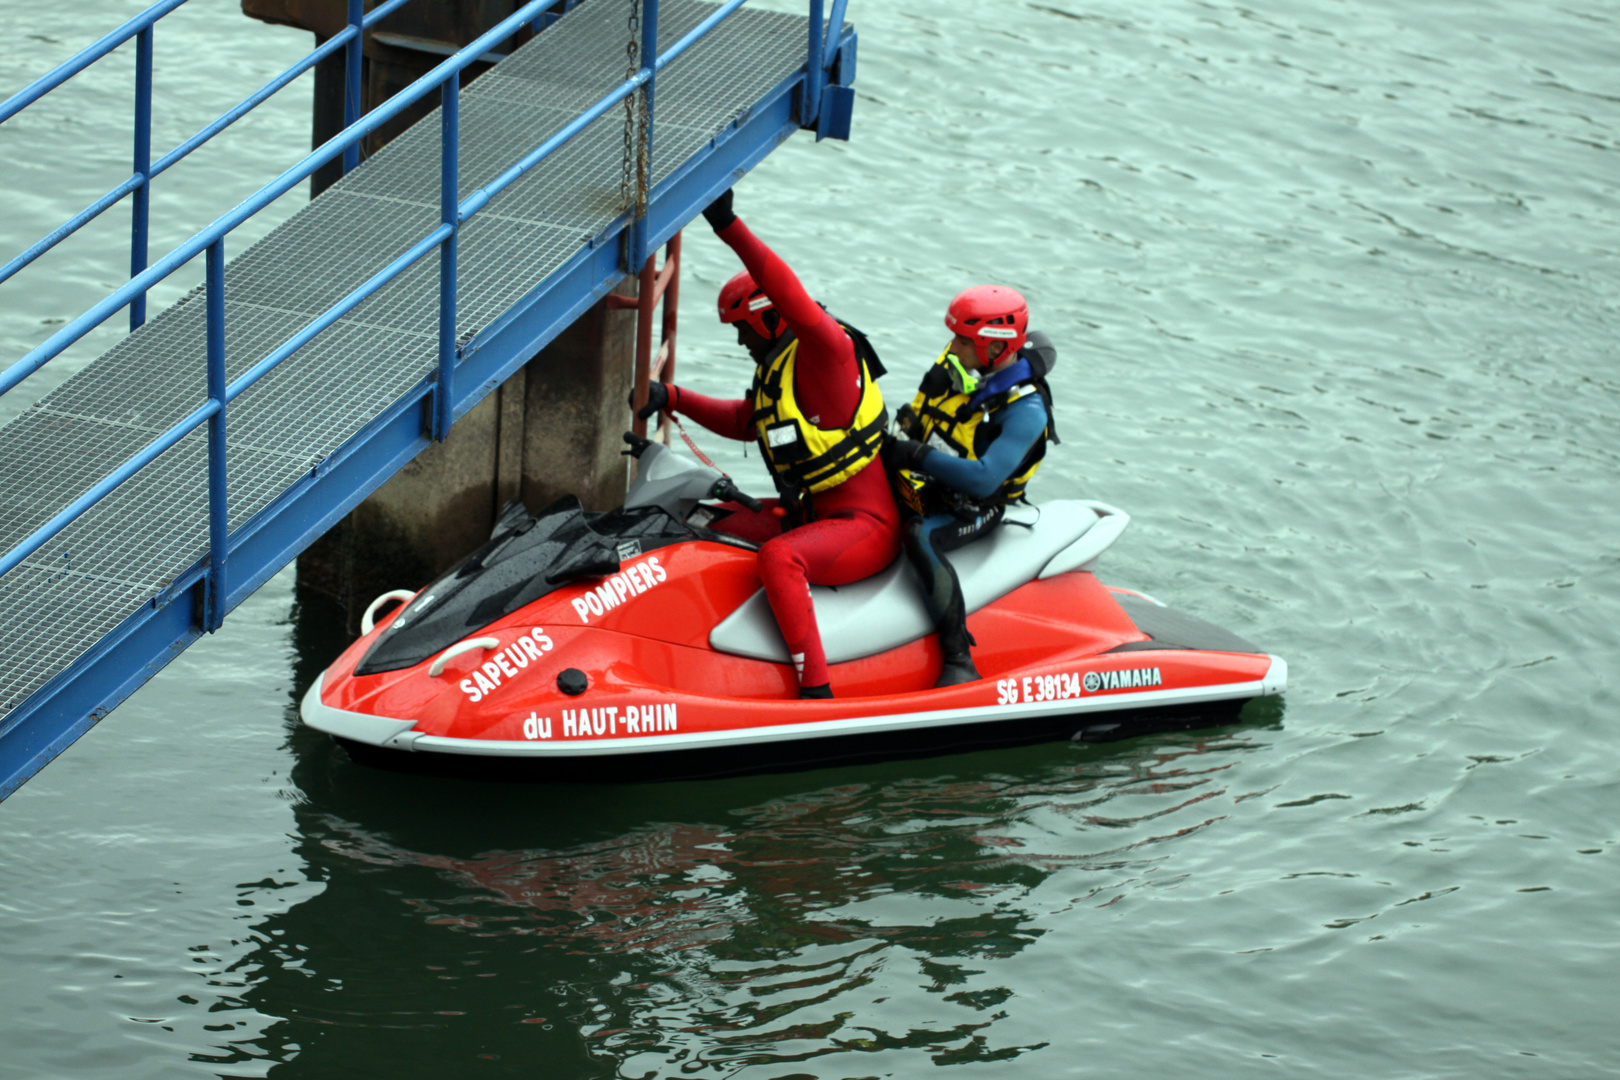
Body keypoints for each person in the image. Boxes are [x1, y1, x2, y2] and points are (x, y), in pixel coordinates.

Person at [633, 188, 900, 699]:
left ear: (769, 316)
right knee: (696, 522)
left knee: (778, 558)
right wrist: (670, 395)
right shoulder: (777, 371)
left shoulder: (827, 353)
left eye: (742, 329)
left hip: (864, 529)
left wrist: (727, 225)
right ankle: (685, 648)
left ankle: (815, 690)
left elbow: (788, 291)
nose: (739, 342)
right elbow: (744, 420)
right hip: (812, 515)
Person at [884, 285, 1058, 687]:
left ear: (996, 348)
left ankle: (959, 658)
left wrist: (914, 455)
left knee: (918, 535)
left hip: (976, 506)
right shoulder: (965, 366)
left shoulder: (1026, 410)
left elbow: (984, 479)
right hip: (928, 480)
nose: (953, 347)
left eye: (963, 341)